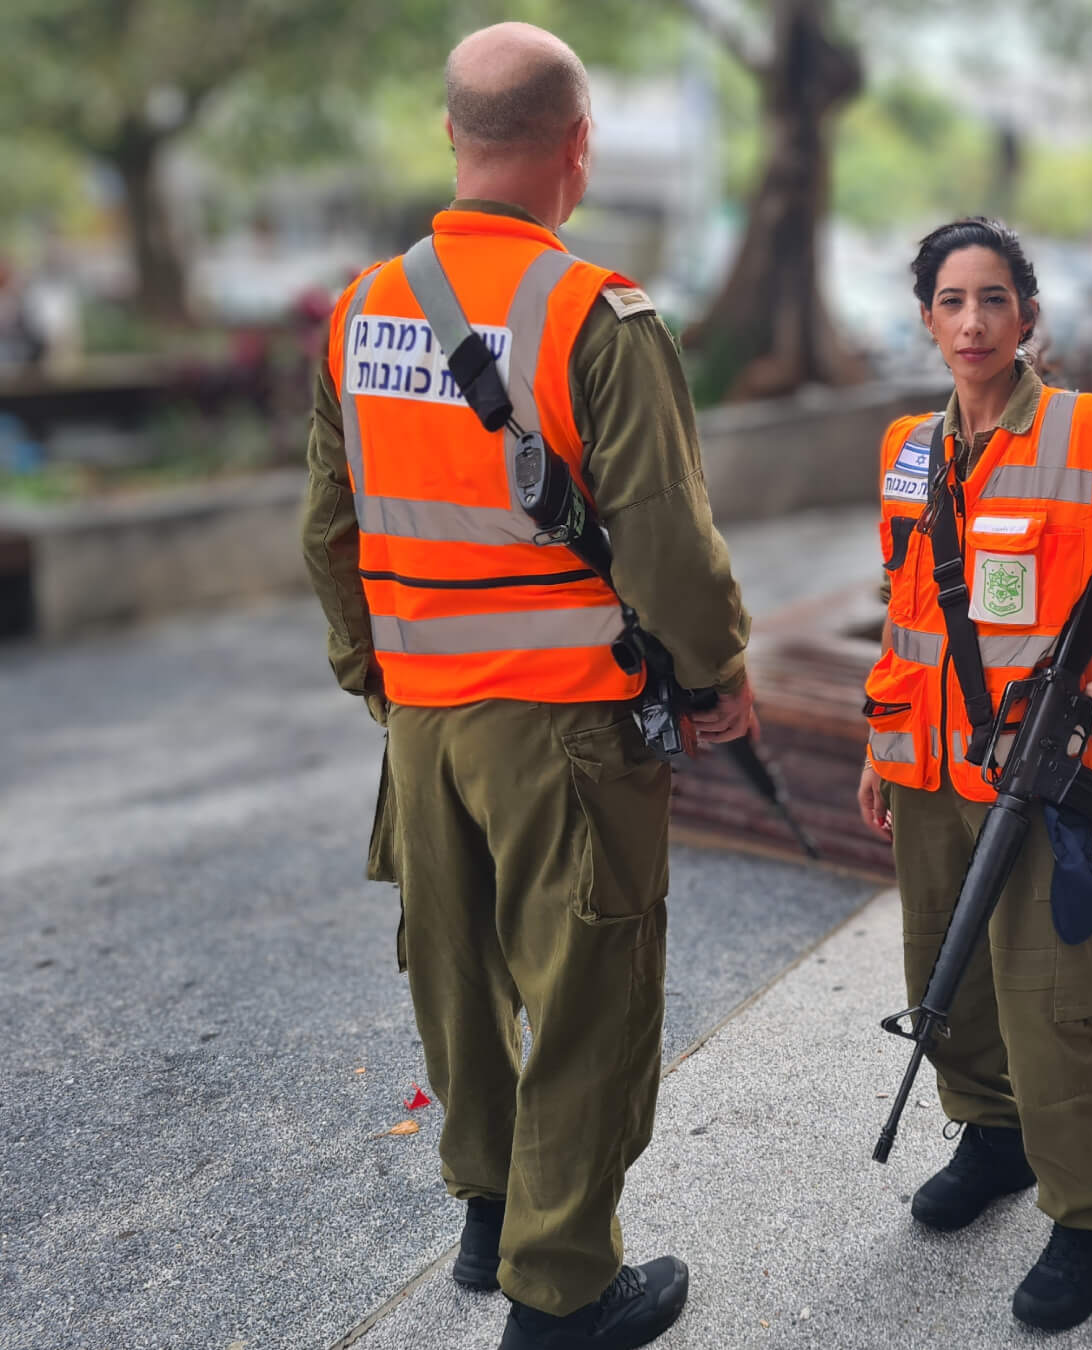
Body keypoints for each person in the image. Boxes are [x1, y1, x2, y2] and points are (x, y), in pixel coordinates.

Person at [301, 23, 751, 1349]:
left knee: (456, 976)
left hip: (426, 723)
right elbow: (665, 536)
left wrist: (376, 675)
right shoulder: (595, 312)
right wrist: (716, 673)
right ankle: (563, 1292)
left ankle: (491, 1209)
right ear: (579, 146)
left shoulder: (362, 306)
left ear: (452, 136)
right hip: (562, 724)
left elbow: (326, 529)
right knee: (585, 990)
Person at [855, 218, 1092, 1332]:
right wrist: (879, 740)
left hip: (1041, 768)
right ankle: (994, 1138)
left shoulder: (1086, 431)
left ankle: (1088, 1218)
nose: (972, 322)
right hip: (926, 768)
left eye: (994, 300)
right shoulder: (908, 448)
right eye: (953, 301)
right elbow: (904, 603)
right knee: (943, 977)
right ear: (927, 318)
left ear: (1028, 317)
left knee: (1050, 1000)